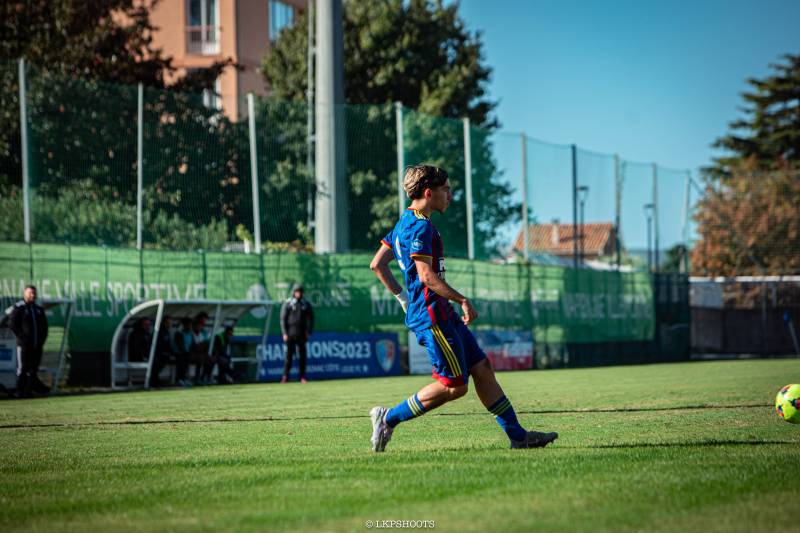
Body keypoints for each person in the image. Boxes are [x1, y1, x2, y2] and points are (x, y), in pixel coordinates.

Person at [368, 165, 558, 452]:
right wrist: (463, 299)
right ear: (429, 193)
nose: (451, 195)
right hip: (433, 317)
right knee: (454, 386)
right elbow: (426, 276)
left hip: (440, 313)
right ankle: (388, 418)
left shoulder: (403, 223)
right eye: (446, 189)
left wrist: (403, 299)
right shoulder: (420, 226)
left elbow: (377, 264)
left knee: (482, 369)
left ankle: (518, 437)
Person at [9, 285, 49, 398]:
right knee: (23, 368)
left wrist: (41, 340)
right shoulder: (19, 307)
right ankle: (20, 391)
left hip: (37, 345)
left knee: (33, 369)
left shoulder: (38, 309)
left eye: (34, 293)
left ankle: (29, 391)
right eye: (30, 293)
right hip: (24, 346)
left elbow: (45, 327)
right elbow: (12, 324)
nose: (33, 295)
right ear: (24, 293)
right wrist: (22, 338)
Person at [279, 284, 314, 383]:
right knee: (288, 357)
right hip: (290, 334)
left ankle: (302, 377)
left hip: (302, 334)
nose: (298, 293)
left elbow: (311, 318)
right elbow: (283, 319)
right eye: (296, 291)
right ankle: (285, 376)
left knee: (302, 357)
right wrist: (284, 333)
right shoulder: (288, 303)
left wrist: (309, 332)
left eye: (300, 291)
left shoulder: (305, 304)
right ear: (293, 292)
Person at [150, 316, 175, 388]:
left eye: (170, 323)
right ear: (164, 323)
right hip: (157, 355)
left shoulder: (167, 332)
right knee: (159, 362)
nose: (169, 325)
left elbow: (168, 346)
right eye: (168, 323)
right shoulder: (159, 332)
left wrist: (171, 353)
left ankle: (156, 380)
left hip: (163, 354)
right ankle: (154, 381)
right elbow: (157, 346)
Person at [174, 317, 195, 387]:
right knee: (182, 361)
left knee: (187, 361)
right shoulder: (179, 333)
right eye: (189, 325)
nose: (190, 326)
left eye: (191, 325)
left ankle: (184, 379)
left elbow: (192, 345)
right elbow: (180, 346)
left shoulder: (191, 334)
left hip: (187, 353)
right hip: (179, 353)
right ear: (185, 325)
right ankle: (179, 379)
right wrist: (187, 353)